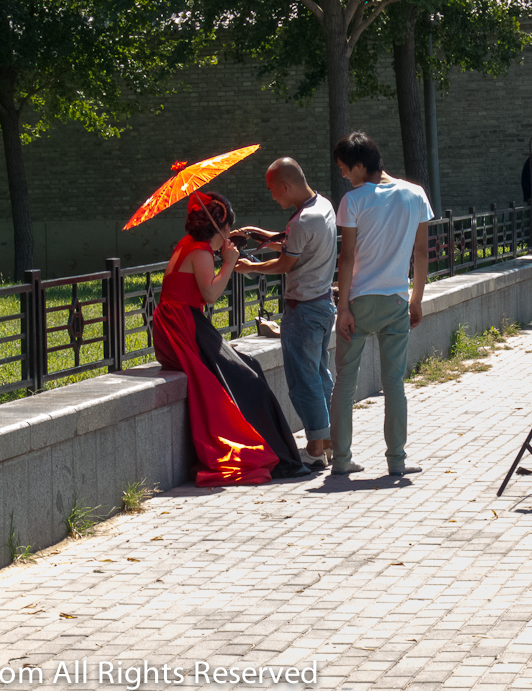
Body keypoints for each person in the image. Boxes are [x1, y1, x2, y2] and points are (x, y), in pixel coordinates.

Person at [151, 190, 311, 486]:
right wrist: (228, 262)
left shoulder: (188, 245)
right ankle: (279, 457)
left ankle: (283, 454)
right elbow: (210, 295)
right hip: (184, 328)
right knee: (247, 377)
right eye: (229, 228)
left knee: (249, 365)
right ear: (222, 228)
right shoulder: (199, 251)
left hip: (181, 323)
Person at [329, 132, 433, 477]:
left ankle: (341, 461)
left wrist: (343, 307)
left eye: (346, 169)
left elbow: (347, 258)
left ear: (361, 165)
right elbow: (420, 253)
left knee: (345, 382)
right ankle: (397, 461)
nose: (345, 175)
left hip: (359, 300)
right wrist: (416, 299)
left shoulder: (354, 200)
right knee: (394, 384)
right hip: (396, 299)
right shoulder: (415, 194)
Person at [234, 158, 337, 470]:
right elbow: (293, 241)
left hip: (302, 311)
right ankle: (328, 441)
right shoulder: (323, 207)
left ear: (286, 186)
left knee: (303, 383)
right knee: (320, 377)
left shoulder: (303, 221)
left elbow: (285, 264)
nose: (272, 196)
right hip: (322, 306)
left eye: (272, 190)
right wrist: (258, 234)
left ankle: (315, 449)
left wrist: (250, 267)